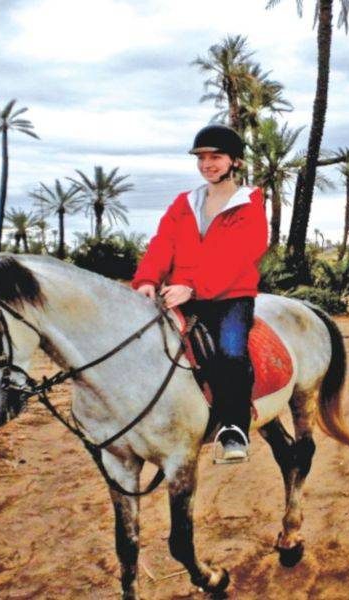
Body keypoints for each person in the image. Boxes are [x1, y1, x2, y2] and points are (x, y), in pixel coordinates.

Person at [131, 124, 268, 464]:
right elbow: (164, 243)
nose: (207, 164)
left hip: (230, 297)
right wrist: (148, 278)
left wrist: (194, 286)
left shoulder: (248, 204)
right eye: (202, 158)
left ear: (234, 161)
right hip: (180, 293)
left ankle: (234, 428)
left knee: (230, 351)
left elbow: (240, 254)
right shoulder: (185, 203)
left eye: (216, 157)